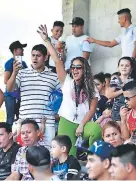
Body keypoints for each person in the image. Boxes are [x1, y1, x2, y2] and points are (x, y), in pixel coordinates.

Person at [37, 24, 102, 156]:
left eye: (79, 67)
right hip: (66, 121)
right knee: (68, 155)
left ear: (85, 69)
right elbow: (56, 60)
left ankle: (92, 158)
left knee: (96, 129)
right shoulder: (67, 81)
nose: (75, 70)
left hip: (83, 123)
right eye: (73, 67)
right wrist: (46, 40)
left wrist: (82, 124)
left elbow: (92, 109)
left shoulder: (91, 86)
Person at [6, 44, 60, 144]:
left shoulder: (54, 76)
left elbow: (62, 96)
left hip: (47, 124)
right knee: (24, 156)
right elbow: (9, 89)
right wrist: (14, 73)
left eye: (38, 56)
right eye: (33, 55)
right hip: (25, 124)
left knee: (46, 156)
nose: (35, 58)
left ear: (45, 57)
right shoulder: (22, 73)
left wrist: (57, 113)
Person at [107, 57, 136, 122]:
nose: (124, 67)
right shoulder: (115, 79)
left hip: (130, 108)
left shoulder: (133, 80)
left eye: (127, 66)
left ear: (131, 68)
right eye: (121, 65)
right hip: (117, 109)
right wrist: (122, 90)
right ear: (118, 67)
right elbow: (109, 95)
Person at [4, 41, 28, 126]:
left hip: (21, 96)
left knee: (21, 119)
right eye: (21, 49)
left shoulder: (24, 63)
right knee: (10, 119)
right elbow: (5, 81)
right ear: (15, 50)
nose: (23, 50)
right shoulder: (10, 63)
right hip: (10, 96)